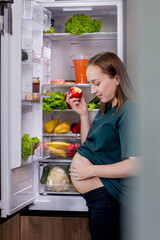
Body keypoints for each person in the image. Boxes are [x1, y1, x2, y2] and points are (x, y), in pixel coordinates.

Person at [66, 52, 139, 240]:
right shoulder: (106, 109)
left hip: (110, 200)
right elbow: (90, 148)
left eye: (96, 83)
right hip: (98, 200)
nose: (93, 90)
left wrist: (90, 172)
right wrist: (83, 114)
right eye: (90, 84)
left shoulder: (129, 111)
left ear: (116, 79)